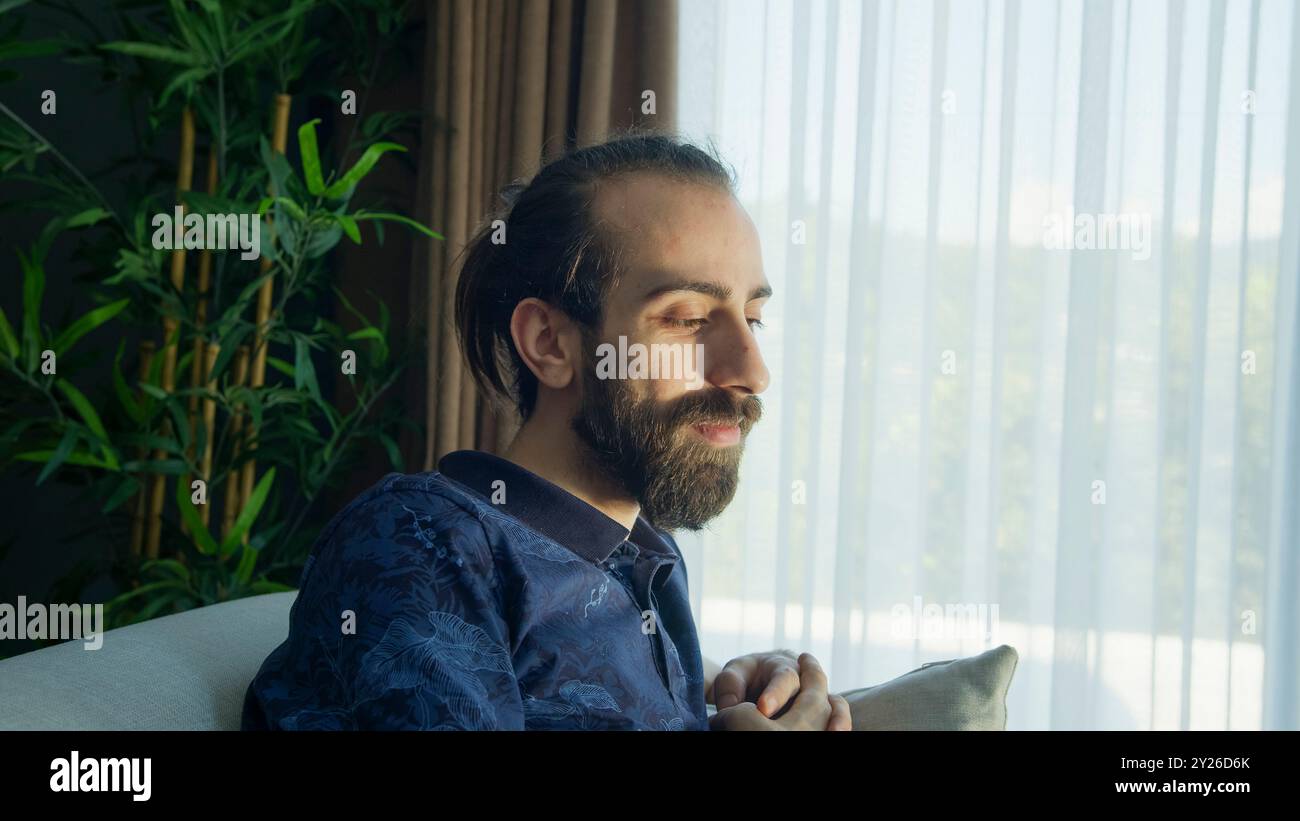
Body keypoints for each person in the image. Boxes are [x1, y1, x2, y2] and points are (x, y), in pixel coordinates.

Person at [242, 134, 851, 731]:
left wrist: (730, 691)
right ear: (549, 343)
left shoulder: (649, 561)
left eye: (751, 319)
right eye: (688, 319)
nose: (751, 372)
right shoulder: (422, 542)